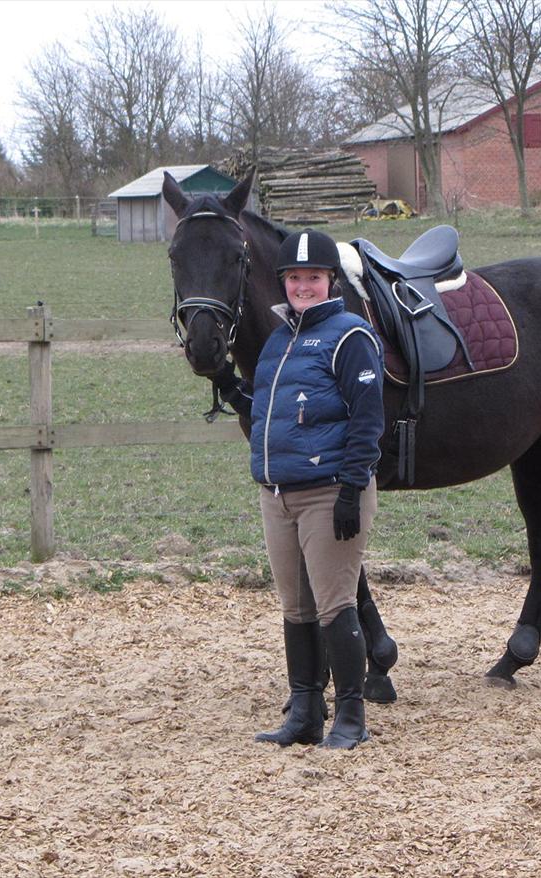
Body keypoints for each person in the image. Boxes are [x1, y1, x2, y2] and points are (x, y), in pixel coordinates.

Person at [212, 228, 384, 750]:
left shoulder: (351, 336)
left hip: (328, 491)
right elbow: (270, 413)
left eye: (313, 277)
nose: (303, 286)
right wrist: (230, 387)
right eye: (294, 278)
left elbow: (367, 420)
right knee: (296, 609)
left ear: (330, 281)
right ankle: (305, 711)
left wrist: (353, 490)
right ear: (282, 281)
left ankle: (351, 716)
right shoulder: (278, 342)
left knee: (335, 606)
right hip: (278, 492)